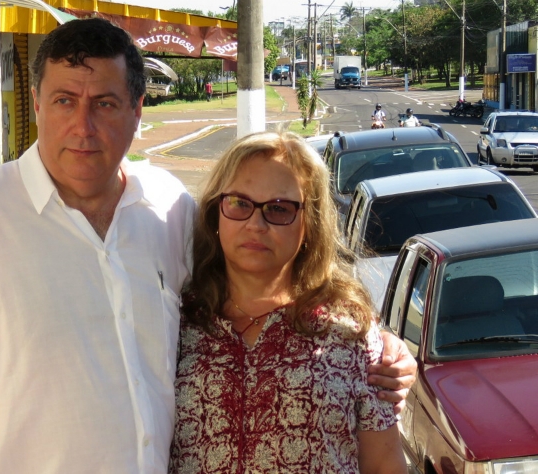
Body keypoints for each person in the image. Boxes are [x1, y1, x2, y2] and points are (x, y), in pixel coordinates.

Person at [0, 18, 415, 472]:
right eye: (64, 100)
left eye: (105, 103)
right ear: (36, 103)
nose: (83, 126)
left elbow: (259, 276)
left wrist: (383, 346)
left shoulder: (168, 207)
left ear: (137, 110)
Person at [170, 131, 406, 473]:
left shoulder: (349, 334)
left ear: (309, 224)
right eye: (239, 203)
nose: (255, 224)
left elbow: (385, 464)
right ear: (215, 212)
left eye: (279, 209)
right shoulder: (177, 324)